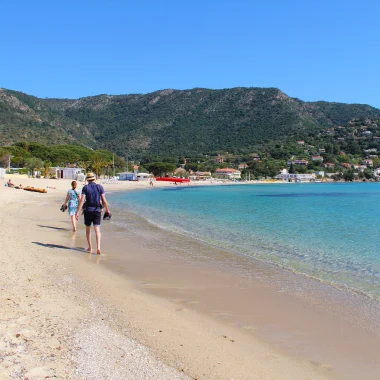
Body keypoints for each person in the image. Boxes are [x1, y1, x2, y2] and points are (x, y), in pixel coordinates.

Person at [75, 172, 110, 255]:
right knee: (97, 229)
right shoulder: (100, 187)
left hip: (88, 211)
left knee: (88, 229)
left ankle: (90, 247)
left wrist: (77, 212)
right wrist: (107, 210)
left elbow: (82, 200)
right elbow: (104, 200)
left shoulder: (85, 188)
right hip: (97, 211)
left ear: (87, 180)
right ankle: (98, 248)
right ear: (94, 179)